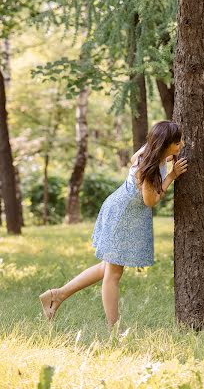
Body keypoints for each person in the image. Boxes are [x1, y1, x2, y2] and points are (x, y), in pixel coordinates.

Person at [39, 121, 187, 328]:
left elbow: (134, 157)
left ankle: (57, 295)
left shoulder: (150, 153)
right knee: (113, 273)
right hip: (123, 215)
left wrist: (166, 158)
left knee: (107, 267)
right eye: (177, 143)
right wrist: (171, 175)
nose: (181, 145)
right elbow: (150, 201)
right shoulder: (150, 169)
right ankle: (113, 328)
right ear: (164, 144)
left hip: (121, 208)